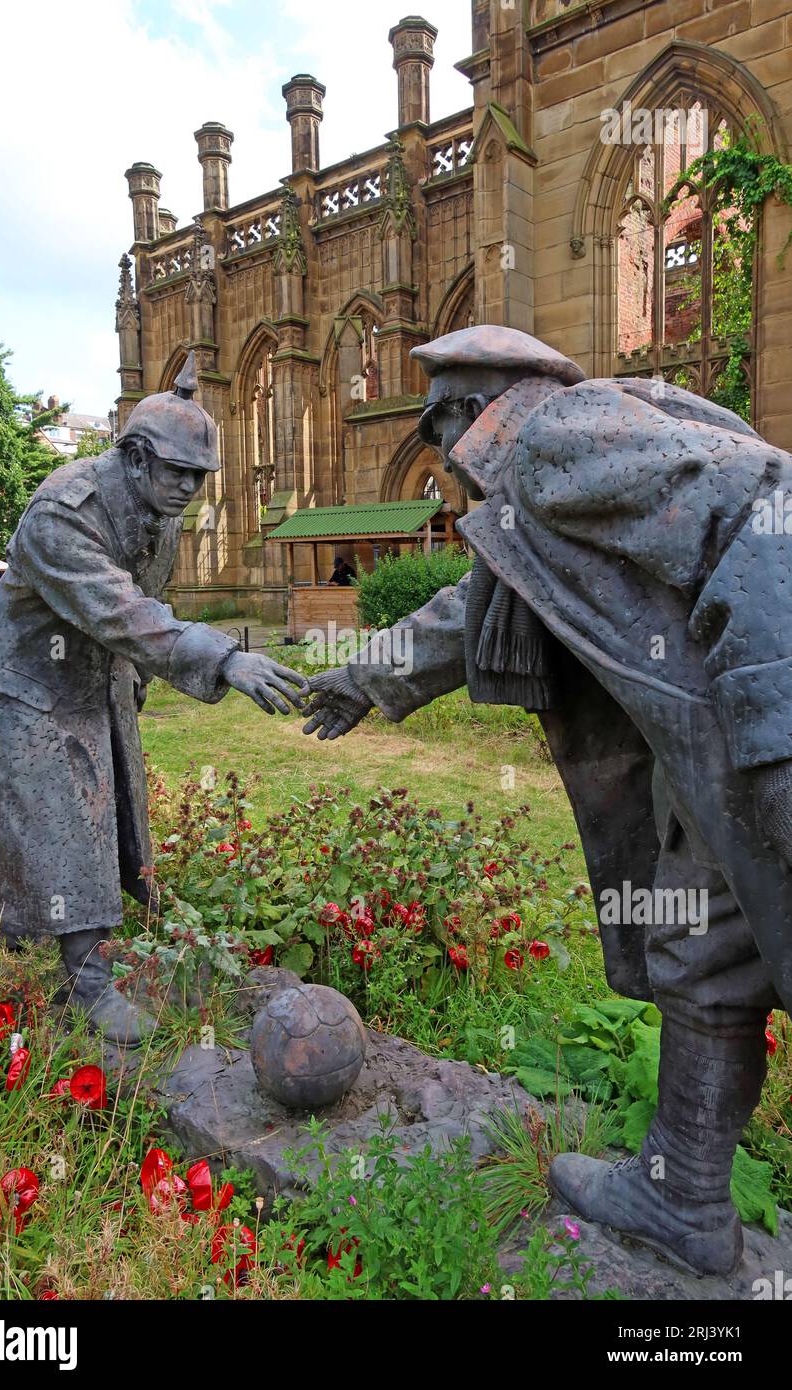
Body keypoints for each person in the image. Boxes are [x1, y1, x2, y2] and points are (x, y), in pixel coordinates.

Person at [301, 324, 792, 1277]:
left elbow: (766, 502)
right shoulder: (540, 485)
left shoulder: (555, 434)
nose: (441, 458)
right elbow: (474, 611)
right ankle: (684, 1197)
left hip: (760, 735)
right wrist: (362, 676)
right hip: (718, 756)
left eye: (439, 426)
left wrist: (779, 728)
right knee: (701, 960)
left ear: (465, 411)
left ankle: (682, 1193)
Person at [0, 353, 309, 1045]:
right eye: (177, 472)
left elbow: (143, 602)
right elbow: (117, 608)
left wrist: (140, 681)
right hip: (25, 676)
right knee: (54, 810)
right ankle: (83, 977)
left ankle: (12, 933)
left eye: (198, 477)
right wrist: (224, 656)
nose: (188, 488)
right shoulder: (65, 509)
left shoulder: (159, 509)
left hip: (95, 666)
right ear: (137, 455)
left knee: (108, 796)